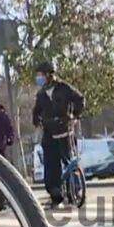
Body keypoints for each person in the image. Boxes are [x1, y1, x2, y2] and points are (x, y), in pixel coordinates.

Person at [31, 62, 85, 208]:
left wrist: (74, 115)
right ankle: (56, 196)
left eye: (41, 75)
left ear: (49, 74)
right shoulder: (41, 93)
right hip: (49, 131)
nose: (39, 78)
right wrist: (37, 121)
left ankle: (74, 191)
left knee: (69, 162)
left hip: (65, 129)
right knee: (51, 165)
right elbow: (36, 112)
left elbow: (80, 99)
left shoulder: (63, 88)